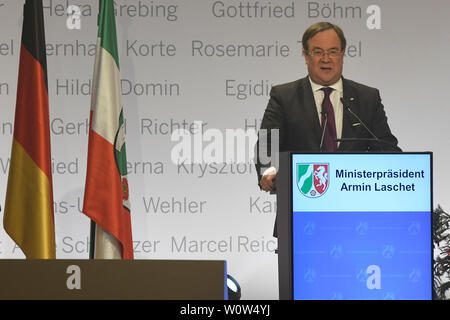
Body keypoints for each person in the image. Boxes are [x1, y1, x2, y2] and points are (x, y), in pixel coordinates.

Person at [255, 22, 401, 193]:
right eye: (318, 52)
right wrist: (269, 169)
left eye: (333, 51)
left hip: (356, 204)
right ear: (306, 56)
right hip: (301, 203)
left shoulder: (368, 98)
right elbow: (267, 144)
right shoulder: (284, 96)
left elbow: (387, 147)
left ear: (343, 54)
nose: (326, 59)